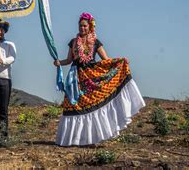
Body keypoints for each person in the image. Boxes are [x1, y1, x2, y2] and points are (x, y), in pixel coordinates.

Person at [54, 12, 145, 146]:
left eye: (85, 26)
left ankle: (92, 139)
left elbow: (106, 60)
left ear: (90, 26)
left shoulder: (96, 42)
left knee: (92, 107)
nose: (82, 28)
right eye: (80, 26)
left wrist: (121, 61)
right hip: (76, 78)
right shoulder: (73, 42)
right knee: (72, 105)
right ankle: (74, 139)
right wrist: (59, 63)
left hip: (92, 77)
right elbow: (69, 60)